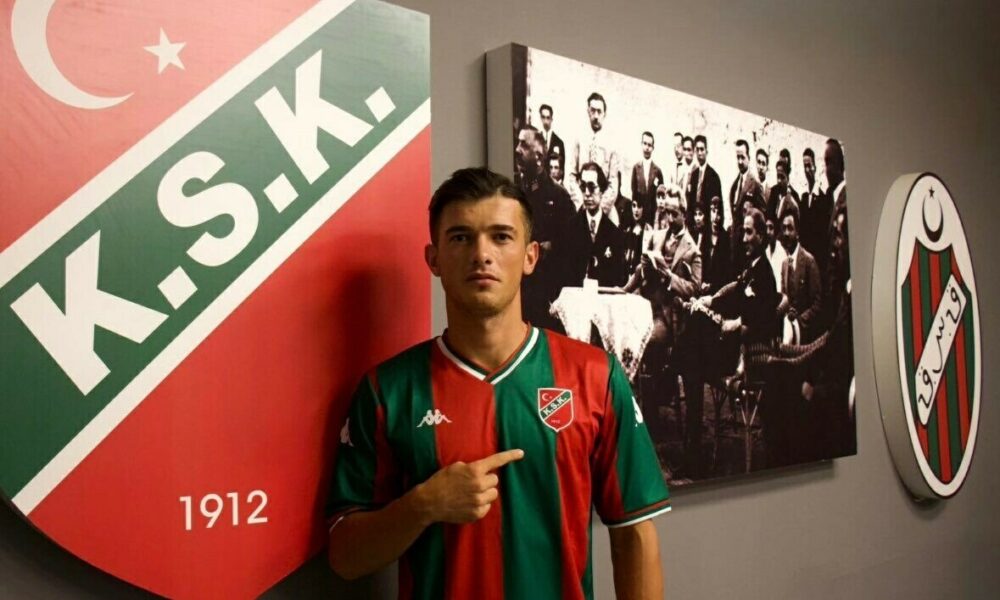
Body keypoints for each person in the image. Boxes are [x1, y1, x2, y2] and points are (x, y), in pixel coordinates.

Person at [327, 167, 670, 599]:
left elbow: (634, 532)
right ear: (434, 259)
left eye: (501, 237)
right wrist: (423, 505)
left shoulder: (595, 376)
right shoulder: (387, 391)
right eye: (460, 237)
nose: (481, 254)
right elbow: (345, 556)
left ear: (530, 256)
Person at [514, 126, 576, 331]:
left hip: (545, 299)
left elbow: (570, 252)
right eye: (518, 143)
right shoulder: (513, 192)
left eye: (524, 145)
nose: (517, 149)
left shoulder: (559, 197)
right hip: (515, 293)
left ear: (539, 156)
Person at [565, 162, 626, 286]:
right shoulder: (570, 229)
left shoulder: (615, 234)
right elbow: (564, 276)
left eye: (592, 187)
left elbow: (619, 280)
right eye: (583, 187)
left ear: (602, 191)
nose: (587, 193)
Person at [566, 92, 622, 224]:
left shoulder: (612, 144)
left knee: (614, 228)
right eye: (593, 111)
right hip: (582, 204)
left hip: (604, 207)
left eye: (599, 112)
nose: (596, 116)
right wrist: (581, 203)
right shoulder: (579, 139)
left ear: (604, 114)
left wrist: (600, 209)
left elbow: (613, 183)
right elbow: (571, 176)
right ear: (588, 111)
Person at [776, 205, 821, 343]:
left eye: (790, 228)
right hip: (789, 335)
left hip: (806, 337)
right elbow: (784, 298)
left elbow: (817, 304)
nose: (786, 233)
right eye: (784, 228)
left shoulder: (809, 261)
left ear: (797, 232)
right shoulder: (784, 265)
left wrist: (799, 321)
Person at [729, 140, 764, 257]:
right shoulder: (735, 185)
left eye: (742, 157)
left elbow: (762, 217)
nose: (740, 161)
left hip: (748, 246)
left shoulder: (755, 184)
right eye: (738, 157)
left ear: (749, 157)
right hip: (735, 246)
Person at [798, 147, 830, 273]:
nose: (807, 170)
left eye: (809, 166)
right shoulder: (804, 199)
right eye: (804, 166)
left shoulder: (823, 199)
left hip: (818, 261)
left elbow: (824, 236)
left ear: (815, 167)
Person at [686, 135, 721, 232]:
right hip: (694, 225)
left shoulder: (713, 176)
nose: (700, 153)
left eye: (702, 149)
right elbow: (690, 202)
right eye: (697, 150)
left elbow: (717, 205)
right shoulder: (693, 175)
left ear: (706, 151)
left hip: (707, 226)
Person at [630, 131, 665, 222]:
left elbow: (661, 194)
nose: (647, 148)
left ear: (653, 148)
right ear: (641, 144)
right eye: (645, 144)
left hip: (653, 214)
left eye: (649, 145)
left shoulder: (657, 171)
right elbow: (634, 192)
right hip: (639, 214)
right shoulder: (636, 168)